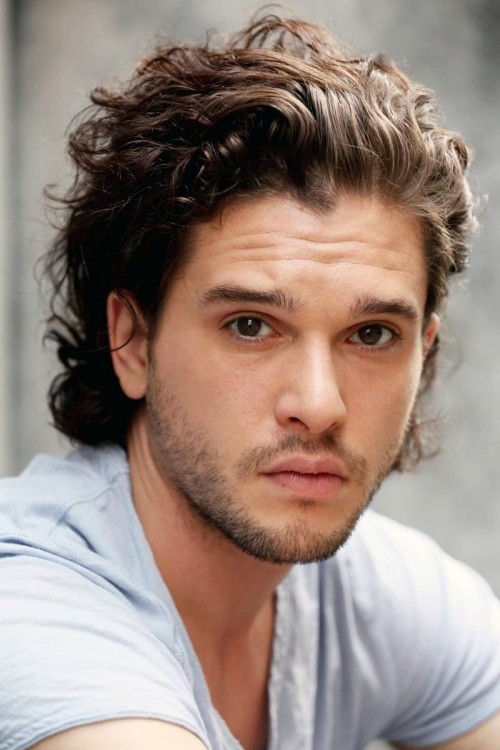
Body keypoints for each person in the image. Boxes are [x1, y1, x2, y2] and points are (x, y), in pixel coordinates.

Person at [1, 11, 499, 750]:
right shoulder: (30, 606)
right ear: (132, 340)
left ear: (422, 354)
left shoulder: (383, 596)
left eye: (371, 334)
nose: (319, 406)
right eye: (250, 325)